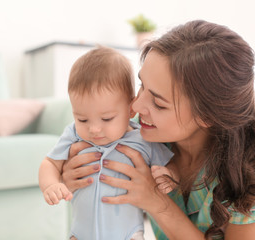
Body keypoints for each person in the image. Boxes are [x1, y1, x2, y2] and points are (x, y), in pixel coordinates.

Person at [61, 20, 255, 239]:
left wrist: (156, 201)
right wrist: (71, 179)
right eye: (142, 85)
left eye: (159, 104)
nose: (134, 106)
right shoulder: (143, 142)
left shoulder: (247, 174)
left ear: (206, 116)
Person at [38, 46, 176, 240]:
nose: (94, 129)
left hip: (128, 234)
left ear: (131, 109)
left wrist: (167, 175)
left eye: (107, 119)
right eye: (82, 119)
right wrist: (51, 184)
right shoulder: (73, 134)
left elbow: (171, 165)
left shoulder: (143, 139)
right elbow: (50, 163)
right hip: (80, 233)